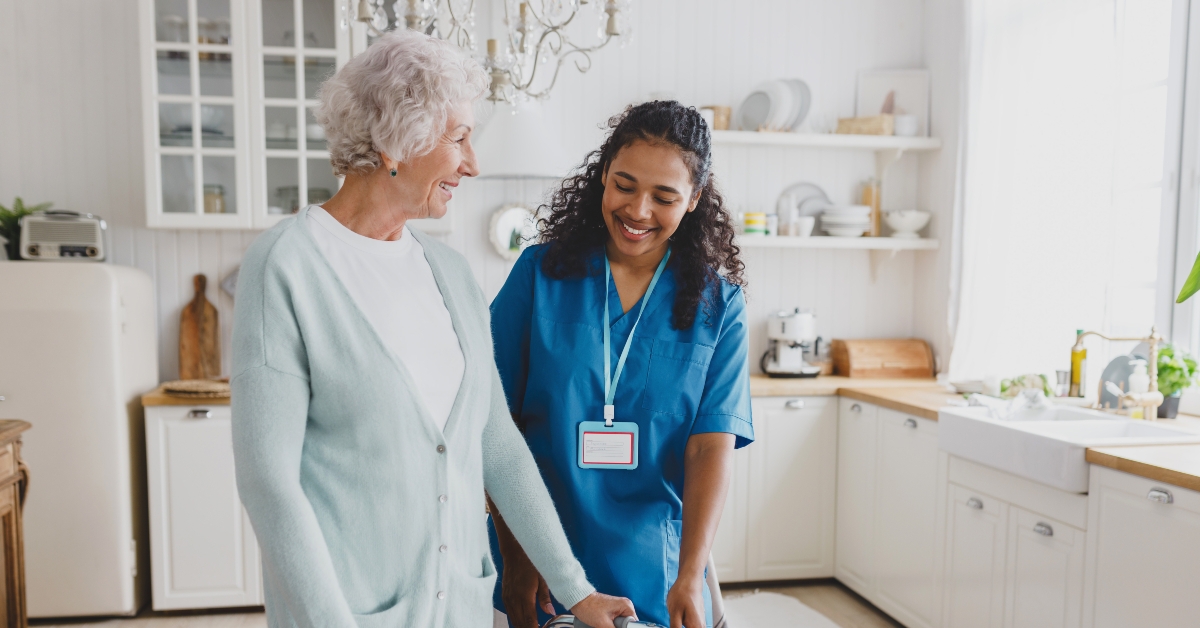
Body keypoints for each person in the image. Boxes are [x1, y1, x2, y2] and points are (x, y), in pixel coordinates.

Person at [231, 29, 634, 628]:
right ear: (399, 139)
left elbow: (496, 445)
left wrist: (575, 588)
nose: (473, 164)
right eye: (459, 138)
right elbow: (269, 482)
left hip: (459, 609)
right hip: (346, 613)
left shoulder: (449, 272)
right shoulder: (286, 265)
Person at [488, 101, 753, 628]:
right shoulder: (539, 274)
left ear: (694, 200)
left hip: (655, 569)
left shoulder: (719, 306)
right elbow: (493, 420)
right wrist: (520, 555)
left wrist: (689, 574)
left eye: (665, 196)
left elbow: (710, 447)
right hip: (541, 557)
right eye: (625, 185)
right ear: (603, 175)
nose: (638, 211)